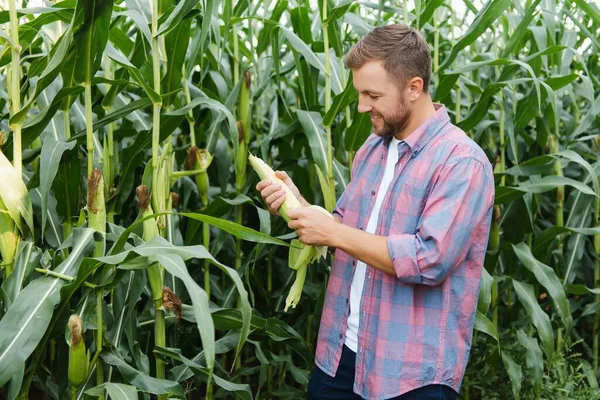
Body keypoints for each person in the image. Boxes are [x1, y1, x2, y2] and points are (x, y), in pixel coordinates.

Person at [256, 24, 494, 400]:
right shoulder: (372, 148)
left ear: (414, 88)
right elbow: (347, 230)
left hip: (410, 375)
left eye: (373, 95)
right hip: (340, 357)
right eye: (359, 93)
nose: (362, 106)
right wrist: (297, 205)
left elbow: (429, 259)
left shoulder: (461, 163)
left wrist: (333, 233)